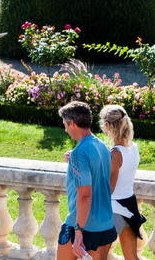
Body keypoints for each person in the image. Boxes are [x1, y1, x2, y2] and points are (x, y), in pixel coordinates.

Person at [58, 101, 117, 260]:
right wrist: (74, 159)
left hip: (82, 226)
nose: (64, 129)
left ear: (72, 124)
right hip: (105, 225)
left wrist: (78, 232)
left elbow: (85, 195)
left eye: (65, 124)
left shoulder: (79, 153)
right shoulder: (102, 146)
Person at [100, 105, 146, 260]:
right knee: (132, 256)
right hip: (129, 205)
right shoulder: (134, 148)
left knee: (99, 256)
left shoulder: (115, 153)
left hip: (114, 208)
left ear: (107, 126)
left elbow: (110, 188)